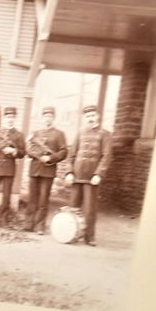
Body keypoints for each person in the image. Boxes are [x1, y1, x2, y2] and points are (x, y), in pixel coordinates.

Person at [65, 105, 114, 246]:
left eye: (92, 115)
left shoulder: (105, 134)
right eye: (87, 116)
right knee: (73, 207)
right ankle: (70, 234)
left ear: (98, 116)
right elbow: (71, 155)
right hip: (77, 176)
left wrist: (98, 174)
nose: (90, 118)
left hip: (92, 178)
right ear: (84, 118)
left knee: (90, 209)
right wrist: (69, 172)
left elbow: (107, 156)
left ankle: (89, 237)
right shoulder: (80, 133)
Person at [24, 106, 69, 232]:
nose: (47, 119)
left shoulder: (59, 134)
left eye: (50, 116)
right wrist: (37, 155)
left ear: (53, 118)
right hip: (35, 169)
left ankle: (40, 225)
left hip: (48, 171)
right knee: (32, 197)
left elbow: (64, 151)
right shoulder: (36, 133)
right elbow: (29, 151)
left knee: (43, 199)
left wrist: (51, 158)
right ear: (42, 117)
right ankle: (29, 223)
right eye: (45, 116)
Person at [0, 106, 26, 225]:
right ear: (4, 118)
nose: (10, 119)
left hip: (9, 167)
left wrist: (14, 151)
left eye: (12, 117)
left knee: (6, 195)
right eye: (8, 117)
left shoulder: (19, 135)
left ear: (15, 118)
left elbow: (23, 152)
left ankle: (3, 218)